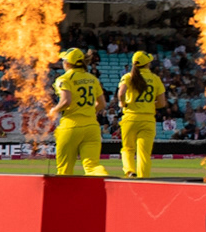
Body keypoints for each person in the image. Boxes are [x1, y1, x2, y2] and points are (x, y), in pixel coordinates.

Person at [50, 47, 107, 177]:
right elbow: (102, 104)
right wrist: (87, 111)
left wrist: (54, 110)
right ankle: (106, 182)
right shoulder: (92, 79)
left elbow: (66, 101)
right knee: (93, 166)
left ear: (67, 63)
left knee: (64, 170)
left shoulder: (64, 79)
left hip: (71, 126)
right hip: (92, 126)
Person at [114, 50, 166, 178]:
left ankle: (130, 171)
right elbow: (162, 103)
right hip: (148, 119)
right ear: (147, 64)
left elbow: (121, 94)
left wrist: (123, 103)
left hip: (130, 117)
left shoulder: (128, 77)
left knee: (127, 149)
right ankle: (143, 179)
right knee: (144, 153)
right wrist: (149, 105)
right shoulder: (155, 79)